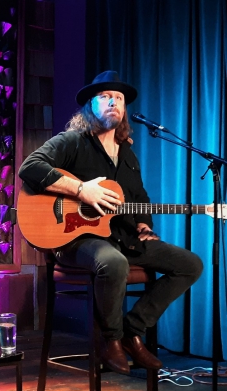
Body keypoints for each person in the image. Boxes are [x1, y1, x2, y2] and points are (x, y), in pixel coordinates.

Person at [19, 71, 203, 375]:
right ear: (91, 105)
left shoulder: (128, 154)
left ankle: (132, 331)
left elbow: (139, 196)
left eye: (118, 98)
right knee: (113, 263)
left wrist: (144, 224)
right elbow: (31, 167)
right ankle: (110, 340)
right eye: (105, 96)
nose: (113, 102)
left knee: (190, 264)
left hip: (121, 237)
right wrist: (81, 189)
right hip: (73, 240)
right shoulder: (73, 141)